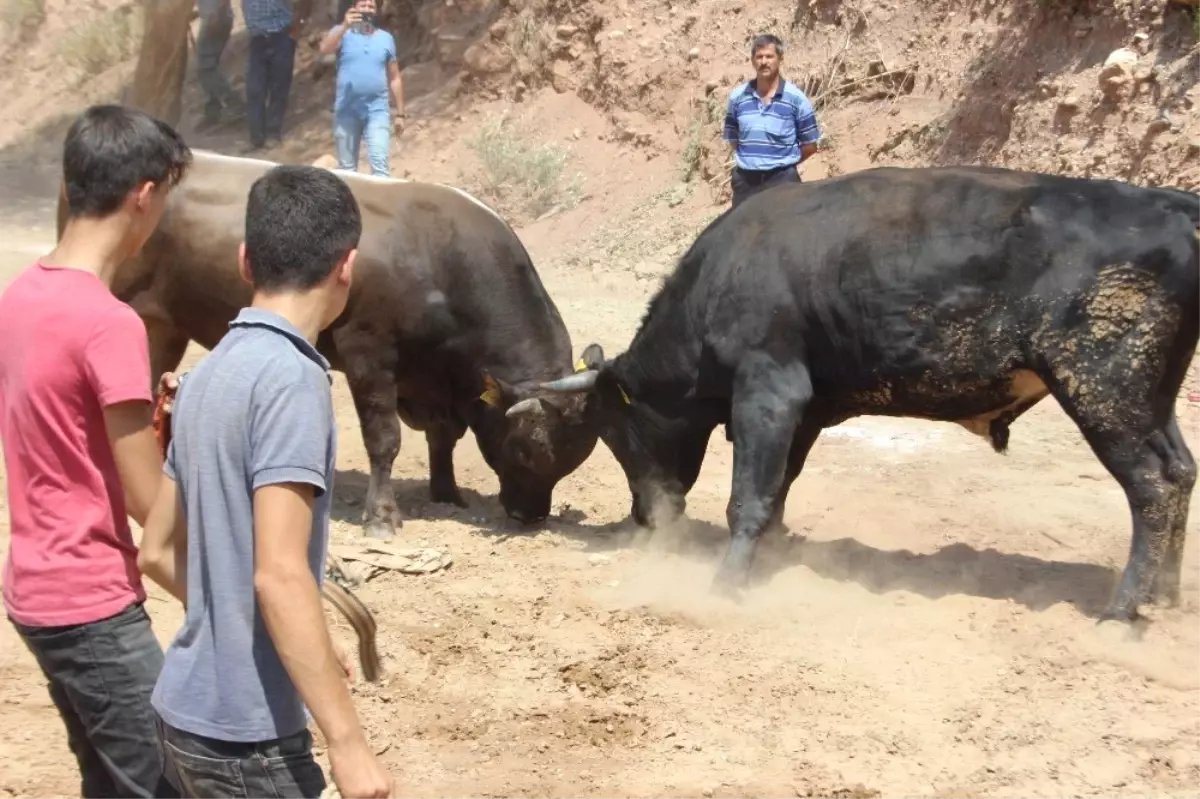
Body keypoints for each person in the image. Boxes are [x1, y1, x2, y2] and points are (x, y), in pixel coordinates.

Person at [138, 164, 394, 798]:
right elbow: (279, 573)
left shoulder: (204, 375)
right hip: (247, 743)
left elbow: (156, 550)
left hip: (180, 716)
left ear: (246, 260)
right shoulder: (293, 381)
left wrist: (289, 631)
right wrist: (348, 743)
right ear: (347, 267)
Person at [0, 103, 192, 798]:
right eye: (164, 198)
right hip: (91, 602)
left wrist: (151, 434)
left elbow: (64, 437)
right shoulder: (110, 323)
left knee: (110, 780)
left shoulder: (17, 298)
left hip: (33, 588)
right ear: (145, 194)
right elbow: (148, 504)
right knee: (163, 783)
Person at [722, 33, 822, 208]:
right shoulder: (738, 97)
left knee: (786, 233)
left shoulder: (796, 99)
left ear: (780, 59)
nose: (764, 62)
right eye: (759, 57)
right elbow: (733, 138)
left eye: (769, 56)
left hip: (782, 183)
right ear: (752, 61)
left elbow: (810, 146)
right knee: (745, 234)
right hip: (746, 183)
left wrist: (780, 165)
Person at [318, 0, 405, 176]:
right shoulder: (342, 33)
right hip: (347, 111)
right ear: (354, 8)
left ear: (376, 12)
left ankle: (380, 202)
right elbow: (325, 49)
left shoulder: (385, 39)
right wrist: (344, 25)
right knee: (348, 170)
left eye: (371, 6)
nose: (367, 9)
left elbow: (395, 77)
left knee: (380, 164)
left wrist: (400, 114)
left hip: (377, 110)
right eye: (363, 5)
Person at [242, 0, 313, 150]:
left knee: (279, 88)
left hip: (281, 38)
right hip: (257, 41)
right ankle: (256, 138)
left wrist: (298, 26)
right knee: (254, 90)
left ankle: (273, 135)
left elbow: (305, 3)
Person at [194, 0, 245, 128]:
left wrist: (216, 14)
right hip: (215, 16)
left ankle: (234, 103)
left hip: (215, 18)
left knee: (206, 68)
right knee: (208, 66)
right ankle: (212, 111)